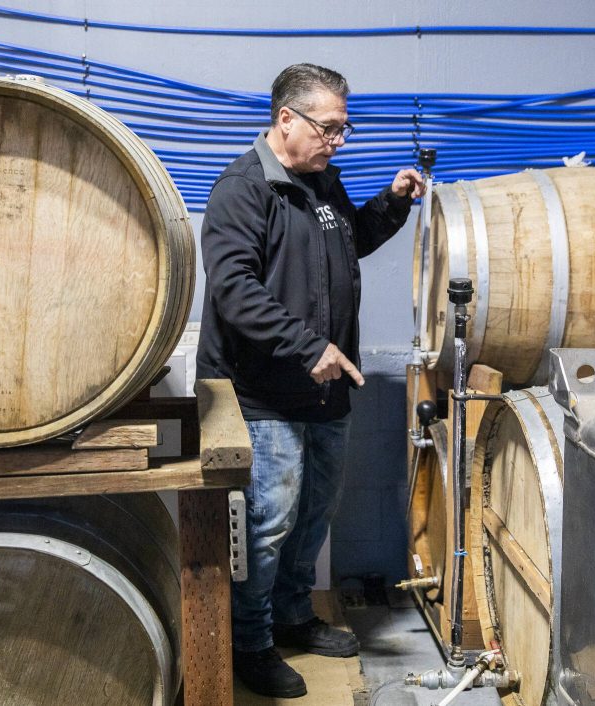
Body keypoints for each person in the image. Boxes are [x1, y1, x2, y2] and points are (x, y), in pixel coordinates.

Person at [196, 63, 424, 698]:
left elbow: (345, 244)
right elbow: (234, 290)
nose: (337, 140)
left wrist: (391, 205)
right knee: (265, 525)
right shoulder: (242, 190)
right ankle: (251, 642)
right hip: (262, 391)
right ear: (285, 119)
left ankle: (294, 617)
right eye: (329, 128)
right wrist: (307, 346)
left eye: (344, 129)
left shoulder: (322, 183)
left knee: (312, 517)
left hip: (325, 387)